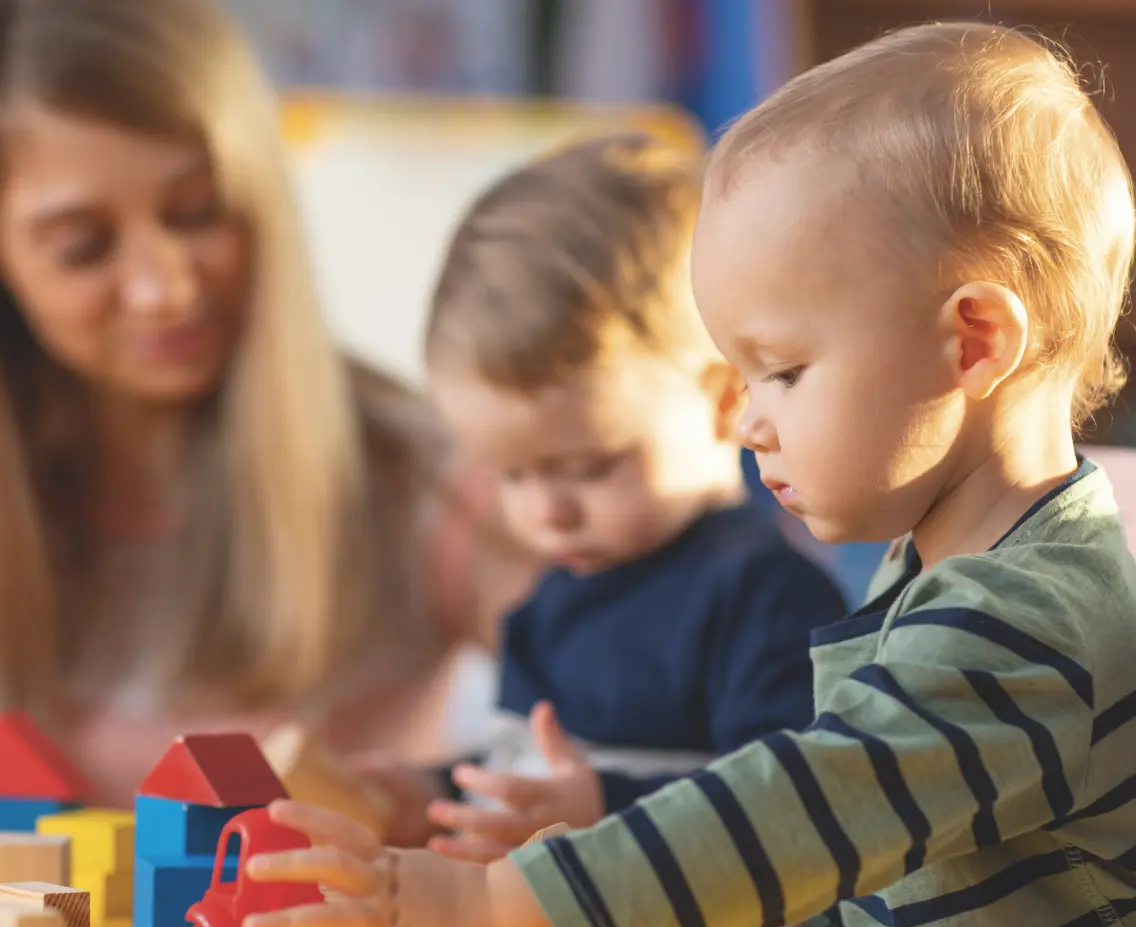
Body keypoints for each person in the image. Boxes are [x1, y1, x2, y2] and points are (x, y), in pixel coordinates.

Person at [238, 21, 1136, 927]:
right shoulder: (945, 570)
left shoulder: (1025, 623)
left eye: (782, 372)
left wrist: (494, 907)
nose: (746, 424)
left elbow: (812, 804)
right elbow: (904, 824)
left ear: (972, 344)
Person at [0, 0, 534, 807]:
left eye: (197, 213)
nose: (163, 290)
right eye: (83, 247)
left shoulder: (418, 479)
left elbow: (647, 721)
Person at [353, 134, 846, 863]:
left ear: (721, 402)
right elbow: (531, 769)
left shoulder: (761, 596)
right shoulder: (558, 595)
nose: (546, 512)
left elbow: (796, 809)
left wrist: (603, 810)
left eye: (586, 467)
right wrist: (432, 793)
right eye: (511, 475)